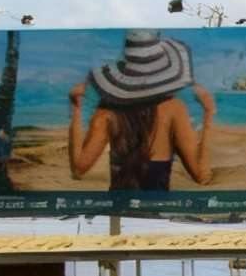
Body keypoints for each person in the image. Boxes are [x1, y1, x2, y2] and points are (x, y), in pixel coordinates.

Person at [67, 31, 216, 190]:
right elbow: (201, 176)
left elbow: (78, 169)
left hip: (118, 209)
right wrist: (208, 113)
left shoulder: (108, 112)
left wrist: (76, 108)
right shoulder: (174, 109)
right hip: (156, 209)